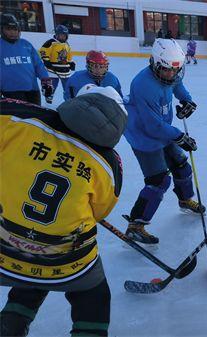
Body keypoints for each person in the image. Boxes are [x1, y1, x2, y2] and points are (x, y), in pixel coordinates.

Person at [0, 85, 126, 336]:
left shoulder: (18, 121)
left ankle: (10, 326)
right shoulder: (109, 164)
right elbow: (100, 211)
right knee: (93, 297)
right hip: (65, 259)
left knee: (32, 268)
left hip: (3, 248)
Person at [123, 38, 202, 244]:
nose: (172, 74)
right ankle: (135, 225)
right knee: (159, 181)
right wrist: (180, 136)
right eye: (167, 70)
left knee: (182, 166)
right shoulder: (143, 85)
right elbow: (152, 126)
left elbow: (178, 85)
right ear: (155, 63)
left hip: (163, 130)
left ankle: (185, 200)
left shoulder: (170, 72)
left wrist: (187, 100)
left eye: (176, 70)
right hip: (144, 136)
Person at [0, 13, 52, 105]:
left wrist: (46, 81)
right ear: (1, 30)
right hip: (11, 92)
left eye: (15, 29)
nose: (12, 32)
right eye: (8, 29)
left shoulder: (26, 45)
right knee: (18, 118)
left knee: (35, 118)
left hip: (32, 90)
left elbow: (38, 65)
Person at [39, 25, 74, 103]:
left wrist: (71, 62)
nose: (63, 37)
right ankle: (49, 97)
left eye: (64, 35)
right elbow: (43, 51)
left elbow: (69, 54)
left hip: (65, 69)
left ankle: (69, 99)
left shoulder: (66, 44)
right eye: (61, 35)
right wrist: (46, 60)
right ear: (57, 34)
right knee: (53, 84)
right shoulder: (51, 42)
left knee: (67, 85)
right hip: (53, 69)